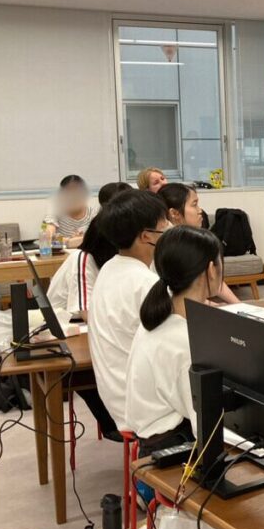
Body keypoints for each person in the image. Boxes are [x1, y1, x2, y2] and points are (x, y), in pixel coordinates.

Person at [125, 226, 224, 453]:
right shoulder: (185, 343)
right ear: (211, 270)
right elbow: (206, 427)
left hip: (150, 439)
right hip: (173, 449)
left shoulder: (158, 317)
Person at [87, 190, 169, 430]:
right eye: (164, 226)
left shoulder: (110, 268)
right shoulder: (145, 283)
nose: (168, 230)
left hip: (116, 398)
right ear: (147, 236)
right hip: (143, 408)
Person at [47, 182, 131, 321]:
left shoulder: (92, 214)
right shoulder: (85, 257)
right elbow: (87, 314)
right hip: (69, 322)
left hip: (93, 316)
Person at [157, 183, 241, 304]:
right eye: (194, 204)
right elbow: (181, 297)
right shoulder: (170, 245)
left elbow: (213, 278)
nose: (200, 210)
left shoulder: (183, 238)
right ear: (174, 213)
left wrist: (238, 305)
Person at [45, 175, 94, 248]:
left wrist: (78, 240)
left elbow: (96, 239)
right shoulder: (56, 211)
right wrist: (69, 241)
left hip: (85, 252)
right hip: (62, 253)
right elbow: (48, 237)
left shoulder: (92, 213)